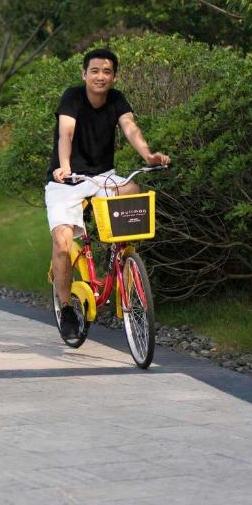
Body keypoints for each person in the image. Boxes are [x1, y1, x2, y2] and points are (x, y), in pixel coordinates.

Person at [46, 48, 170, 340]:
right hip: (67, 180)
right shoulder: (72, 97)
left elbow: (130, 127)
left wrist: (149, 155)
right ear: (84, 74)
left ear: (114, 76)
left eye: (106, 71)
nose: (100, 76)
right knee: (62, 242)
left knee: (133, 188)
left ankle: (121, 257)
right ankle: (66, 310)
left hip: (102, 177)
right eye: (94, 71)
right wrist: (64, 166)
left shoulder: (116, 99)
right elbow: (67, 133)